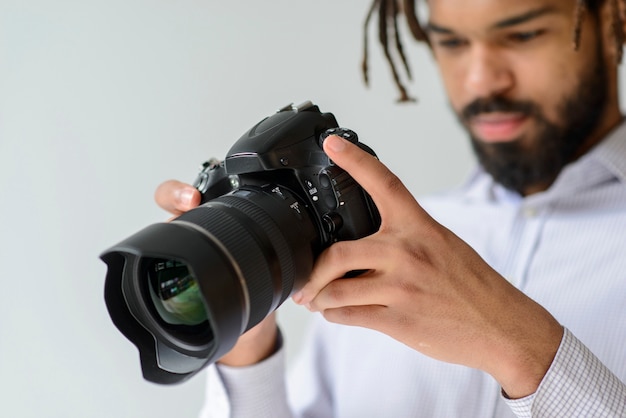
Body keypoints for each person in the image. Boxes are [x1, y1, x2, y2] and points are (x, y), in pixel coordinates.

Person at [156, 0, 626, 416]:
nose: (481, 79)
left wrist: (518, 344)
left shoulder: (404, 257)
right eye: (451, 42)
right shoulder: (375, 247)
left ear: (613, 15)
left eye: (523, 34)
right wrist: (246, 343)